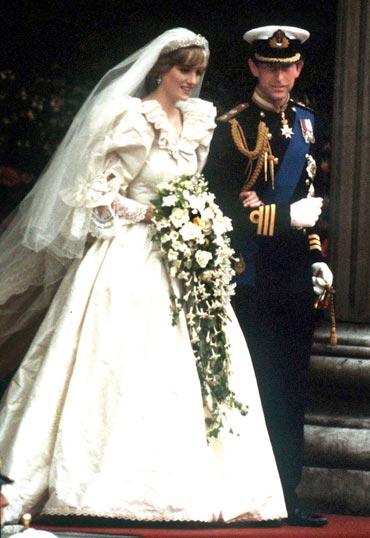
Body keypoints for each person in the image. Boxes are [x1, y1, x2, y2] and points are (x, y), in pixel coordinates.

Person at [0, 28, 287, 525]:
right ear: (161, 69)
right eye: (183, 71)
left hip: (183, 258)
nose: (191, 82)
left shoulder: (197, 121)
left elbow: (192, 184)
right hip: (129, 253)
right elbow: (98, 193)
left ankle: (192, 484)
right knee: (114, 357)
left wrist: (194, 217)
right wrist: (155, 215)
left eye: (198, 73)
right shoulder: (134, 121)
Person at [205, 25, 333, 527]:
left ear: (299, 68)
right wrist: (282, 219)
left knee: (294, 386)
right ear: (254, 67)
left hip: (295, 274)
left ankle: (289, 493)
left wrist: (318, 253)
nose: (280, 75)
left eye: (289, 66)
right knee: (259, 385)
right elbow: (218, 208)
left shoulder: (305, 124)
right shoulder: (231, 127)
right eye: (270, 66)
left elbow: (312, 201)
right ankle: (255, 493)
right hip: (250, 275)